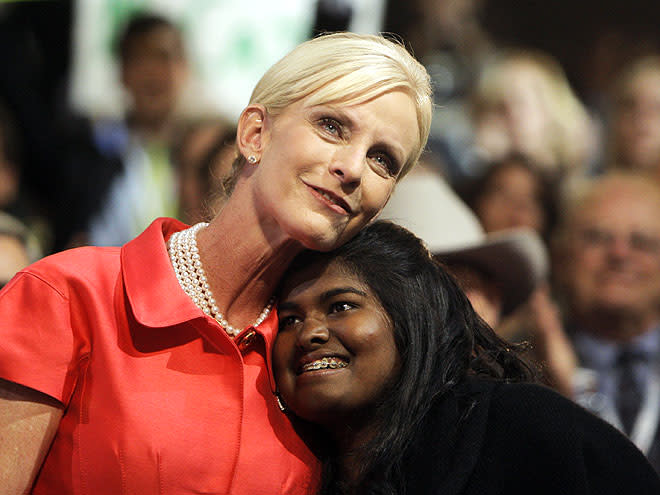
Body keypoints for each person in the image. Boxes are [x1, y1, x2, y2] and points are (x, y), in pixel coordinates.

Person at [0, 32, 432, 494]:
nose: (352, 168)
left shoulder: (323, 361)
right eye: (332, 126)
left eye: (382, 159)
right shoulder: (68, 296)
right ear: (254, 134)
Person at [273, 220, 660, 495]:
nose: (310, 332)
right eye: (289, 320)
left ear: (411, 318)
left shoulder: (527, 430)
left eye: (341, 306)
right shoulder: (292, 467)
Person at [542, 172, 660, 473]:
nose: (620, 254)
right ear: (561, 257)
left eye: (642, 242)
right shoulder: (521, 364)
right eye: (597, 238)